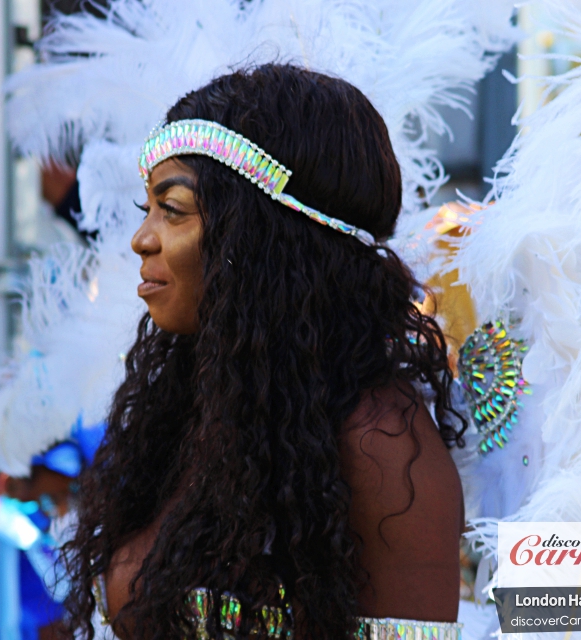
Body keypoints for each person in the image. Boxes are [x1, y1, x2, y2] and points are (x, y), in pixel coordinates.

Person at [62, 64, 468, 640]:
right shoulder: (203, 409)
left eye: (172, 210)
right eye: (145, 210)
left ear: (258, 237)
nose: (142, 238)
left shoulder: (381, 447)